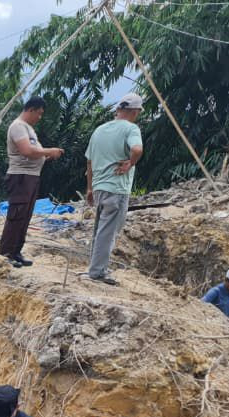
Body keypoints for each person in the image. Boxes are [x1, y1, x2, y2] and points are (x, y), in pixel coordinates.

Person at [0, 96, 65, 268]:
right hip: (20, 177)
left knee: (25, 217)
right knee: (17, 215)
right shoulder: (18, 127)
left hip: (31, 176)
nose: (40, 117)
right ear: (31, 109)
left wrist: (46, 157)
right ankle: (6, 253)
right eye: (39, 113)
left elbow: (34, 153)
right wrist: (49, 150)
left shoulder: (28, 129)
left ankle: (16, 251)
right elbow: (27, 151)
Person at [84, 94, 144, 285]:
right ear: (135, 112)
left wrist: (90, 189)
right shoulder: (131, 128)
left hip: (100, 186)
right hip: (116, 188)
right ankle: (97, 272)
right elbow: (137, 149)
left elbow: (90, 163)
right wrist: (130, 163)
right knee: (109, 230)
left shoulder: (99, 130)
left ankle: (95, 266)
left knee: (100, 229)